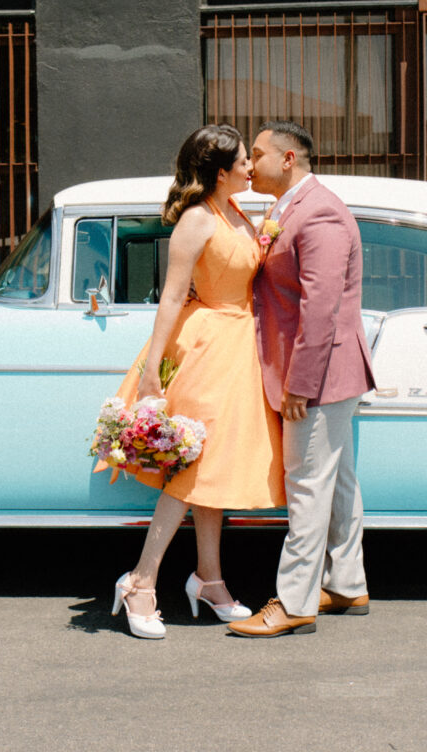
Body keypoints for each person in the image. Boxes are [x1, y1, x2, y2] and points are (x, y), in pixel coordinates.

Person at [107, 124, 287, 639]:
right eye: (243, 161)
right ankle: (140, 581)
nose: (252, 167)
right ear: (219, 171)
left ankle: (209, 578)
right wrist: (149, 372)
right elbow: (170, 296)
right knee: (192, 466)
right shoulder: (196, 219)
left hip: (238, 347)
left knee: (215, 467)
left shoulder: (236, 213)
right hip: (206, 345)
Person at [228, 121, 376, 637]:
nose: (252, 163)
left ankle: (294, 603)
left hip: (319, 374)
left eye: (260, 154)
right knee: (337, 482)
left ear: (289, 158)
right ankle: (346, 582)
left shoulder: (321, 212)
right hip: (322, 372)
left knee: (306, 486)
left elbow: (321, 308)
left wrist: (300, 383)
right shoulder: (290, 207)